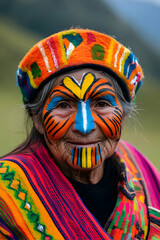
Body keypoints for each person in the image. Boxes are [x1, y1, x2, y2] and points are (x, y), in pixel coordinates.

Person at [0, 29, 159, 240]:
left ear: (123, 113)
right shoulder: (6, 191)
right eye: (64, 104)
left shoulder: (141, 168)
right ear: (37, 118)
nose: (84, 126)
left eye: (102, 103)